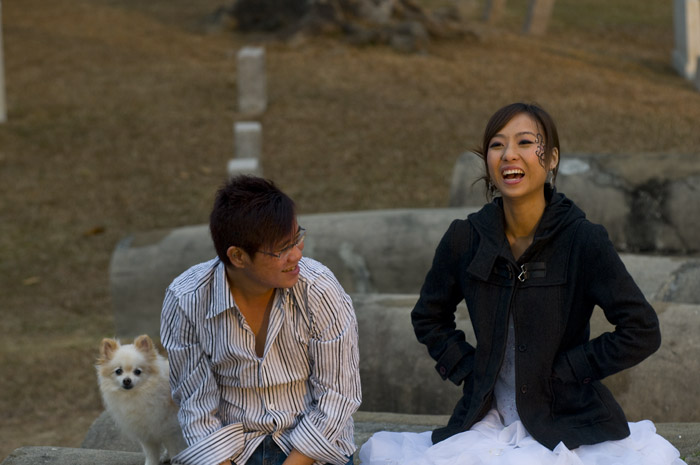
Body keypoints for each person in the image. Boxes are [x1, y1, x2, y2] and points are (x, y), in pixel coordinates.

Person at [359, 103, 685, 464]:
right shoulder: (465, 238)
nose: (509, 155)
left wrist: (571, 370)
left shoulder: (583, 240)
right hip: (487, 423)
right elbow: (428, 316)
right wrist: (469, 369)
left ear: (552, 158)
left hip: (566, 426)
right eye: (497, 145)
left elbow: (641, 329)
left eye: (526, 142)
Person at [160, 175, 361, 465]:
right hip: (231, 450)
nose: (297, 255)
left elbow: (339, 394)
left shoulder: (319, 289)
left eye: (297, 238)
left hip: (313, 448)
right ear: (238, 257)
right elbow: (196, 405)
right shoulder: (186, 300)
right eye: (282, 249)